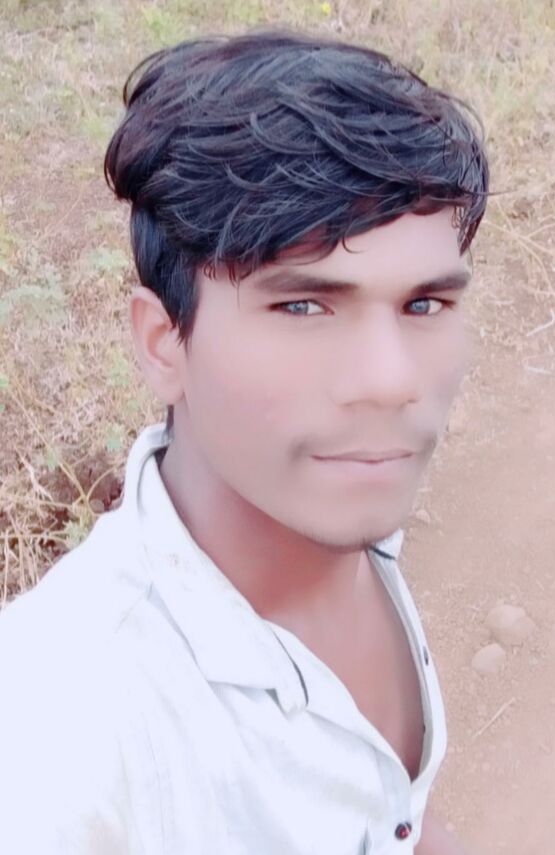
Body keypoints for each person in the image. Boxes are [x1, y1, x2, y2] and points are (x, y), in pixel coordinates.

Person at [0, 27, 488, 854]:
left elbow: (396, 812)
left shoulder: (342, 519)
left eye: (424, 304)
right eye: (302, 306)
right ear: (163, 342)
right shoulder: (58, 735)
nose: (390, 380)